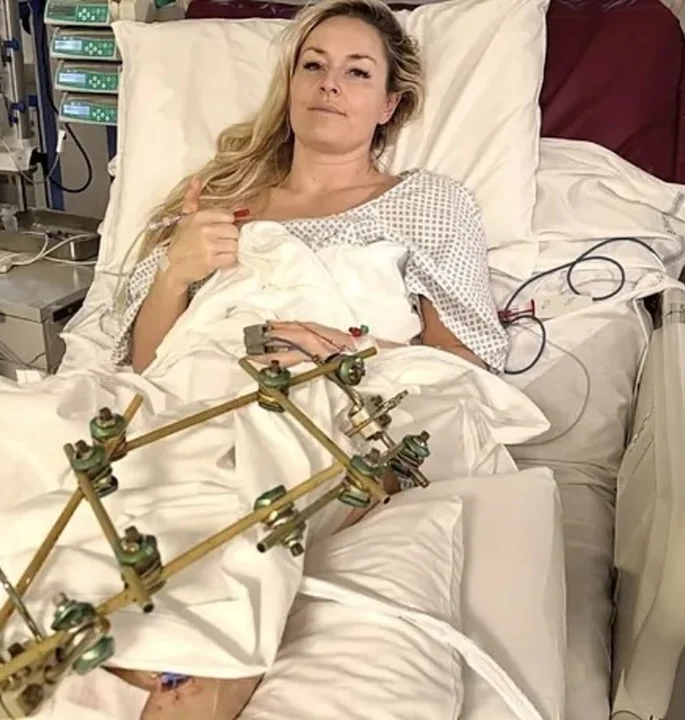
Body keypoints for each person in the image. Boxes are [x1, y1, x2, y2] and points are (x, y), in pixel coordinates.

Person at [109, 0, 509, 715]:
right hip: (201, 383)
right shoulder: (222, 198)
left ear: (390, 104)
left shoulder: (428, 203)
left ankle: (213, 661)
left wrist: (350, 347)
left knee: (278, 450)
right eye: (313, 65)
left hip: (326, 383)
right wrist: (176, 272)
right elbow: (147, 365)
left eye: (357, 72)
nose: (329, 83)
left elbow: (463, 359)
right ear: (290, 84)